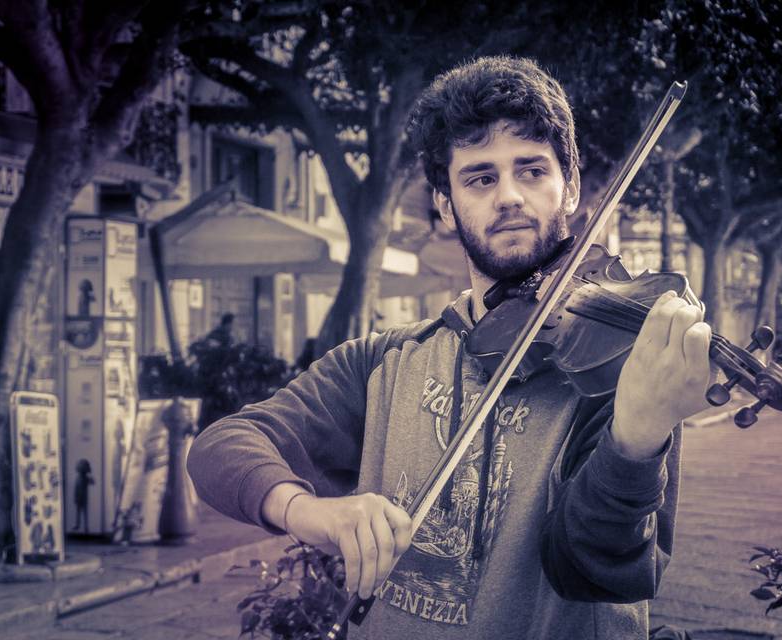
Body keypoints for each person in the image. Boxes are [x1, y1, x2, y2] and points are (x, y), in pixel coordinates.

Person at [188, 56, 712, 639]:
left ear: (572, 187)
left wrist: (635, 443)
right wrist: (311, 513)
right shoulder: (384, 362)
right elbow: (221, 446)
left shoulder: (619, 367)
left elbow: (592, 570)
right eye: (481, 178)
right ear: (444, 202)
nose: (510, 196)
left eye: (532, 170)